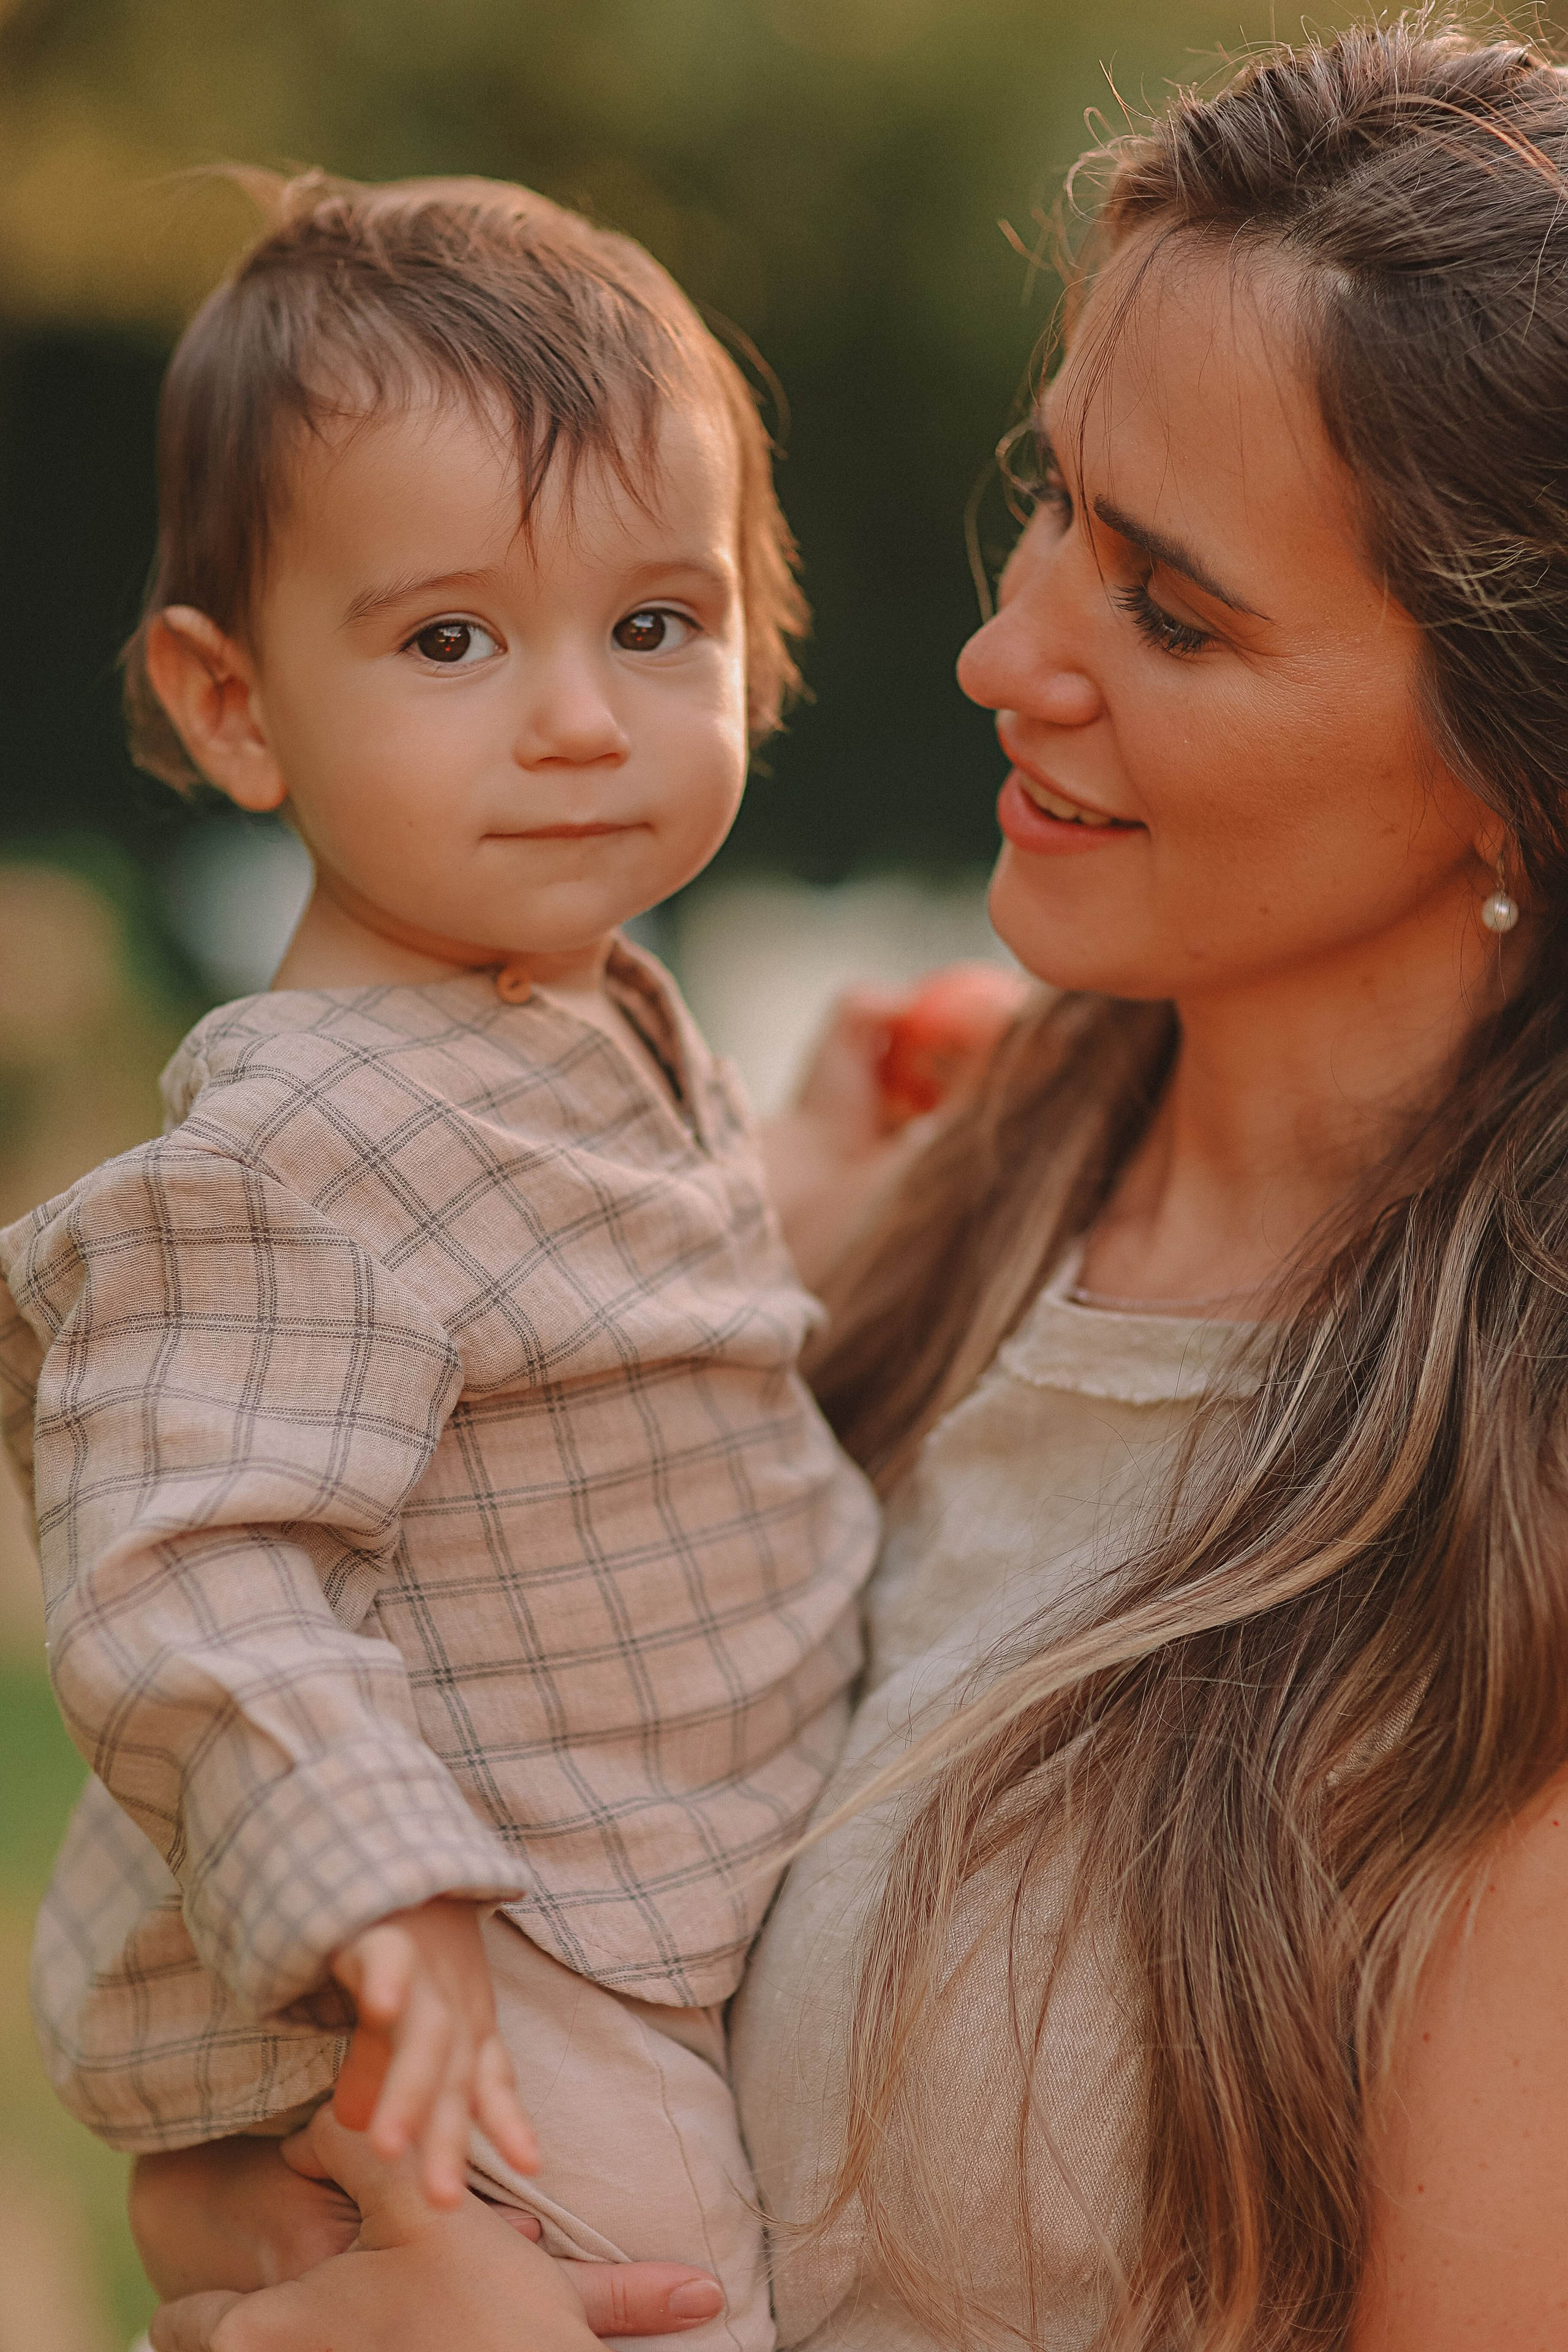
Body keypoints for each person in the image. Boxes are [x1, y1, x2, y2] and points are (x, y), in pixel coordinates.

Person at [109, 15, 1568, 2348]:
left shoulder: (1510, 1558)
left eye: (1169, 611)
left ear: (1518, 763)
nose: (1006, 648)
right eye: (1051, 497)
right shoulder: (904, 1172)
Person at [0, 171, 889, 2351]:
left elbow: (600, 1302)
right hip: (486, 1967)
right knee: (681, 2308)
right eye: (452, 641)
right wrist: (379, 1885)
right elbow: (179, 1566)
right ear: (234, 708)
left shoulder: (577, 1003)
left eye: (656, 625)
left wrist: (833, 1158)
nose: (580, 717)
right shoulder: (293, 1148)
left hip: (635, 1886)